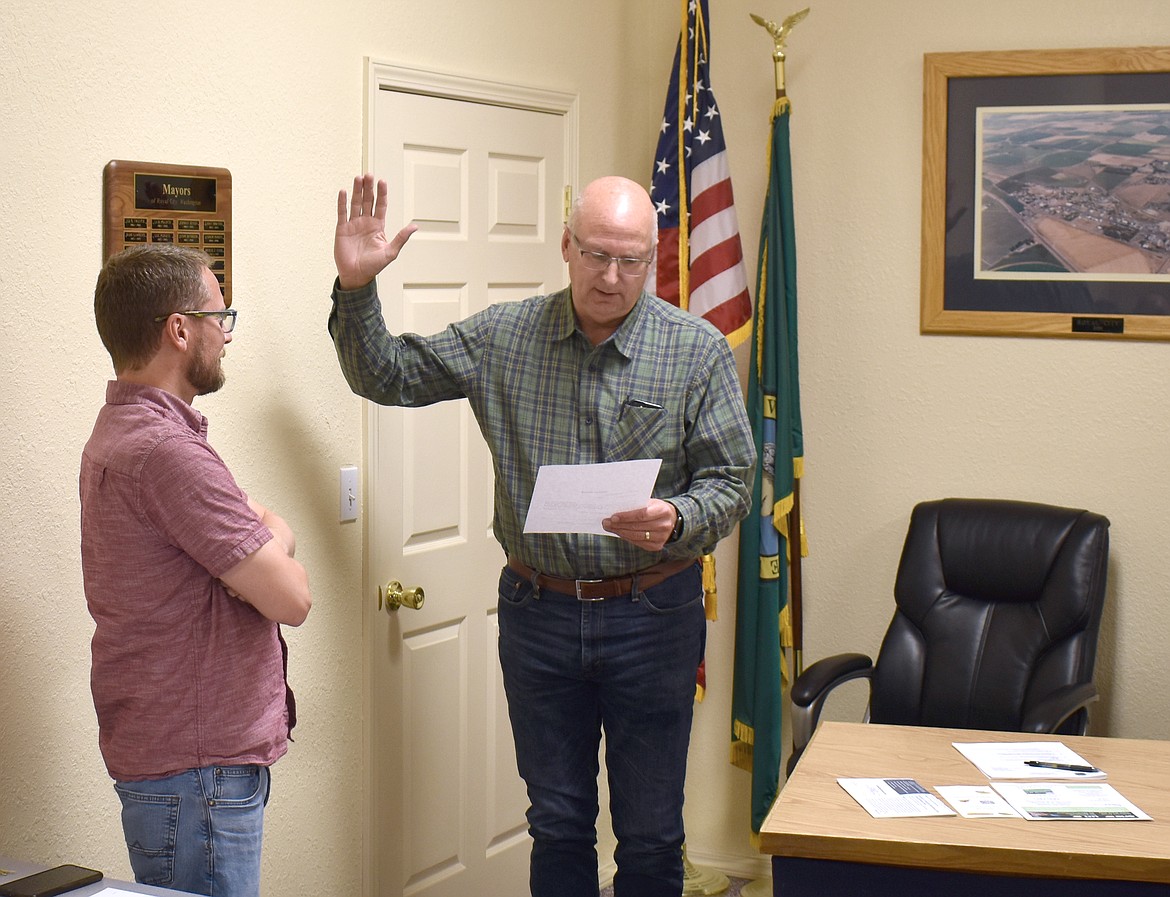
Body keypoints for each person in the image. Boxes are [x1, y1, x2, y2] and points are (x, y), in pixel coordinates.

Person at [328, 172, 755, 897]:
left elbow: (734, 481)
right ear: (565, 245)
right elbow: (388, 375)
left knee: (651, 831)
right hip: (541, 613)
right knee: (557, 822)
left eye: (631, 261)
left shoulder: (696, 351)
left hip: (653, 613)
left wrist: (678, 517)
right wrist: (356, 288)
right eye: (596, 255)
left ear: (651, 260)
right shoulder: (505, 337)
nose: (612, 277)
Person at [80, 244, 312, 897]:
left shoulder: (122, 429)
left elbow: (248, 542)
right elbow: (291, 596)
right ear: (180, 330)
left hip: (177, 764)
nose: (227, 333)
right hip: (199, 772)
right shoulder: (166, 452)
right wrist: (277, 532)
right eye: (220, 315)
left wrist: (253, 542)